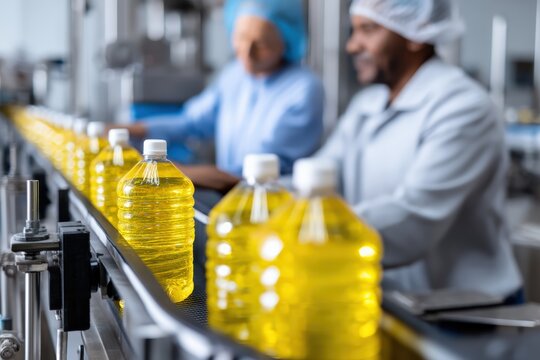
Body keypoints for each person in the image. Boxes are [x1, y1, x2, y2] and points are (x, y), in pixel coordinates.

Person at [315, 0, 522, 301]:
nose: (351, 46)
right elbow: (318, 178)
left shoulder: (463, 107)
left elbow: (413, 220)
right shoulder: (366, 106)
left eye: (368, 30)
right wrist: (253, 192)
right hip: (400, 301)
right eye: (353, 30)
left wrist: (304, 228)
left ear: (416, 33)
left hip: (465, 312)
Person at [124, 0, 324, 192]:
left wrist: (169, 170)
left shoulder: (304, 89)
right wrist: (131, 130)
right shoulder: (235, 74)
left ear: (286, 40)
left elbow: (257, 173)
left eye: (261, 44)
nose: (247, 52)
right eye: (241, 38)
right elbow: (192, 121)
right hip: (228, 197)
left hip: (272, 205)